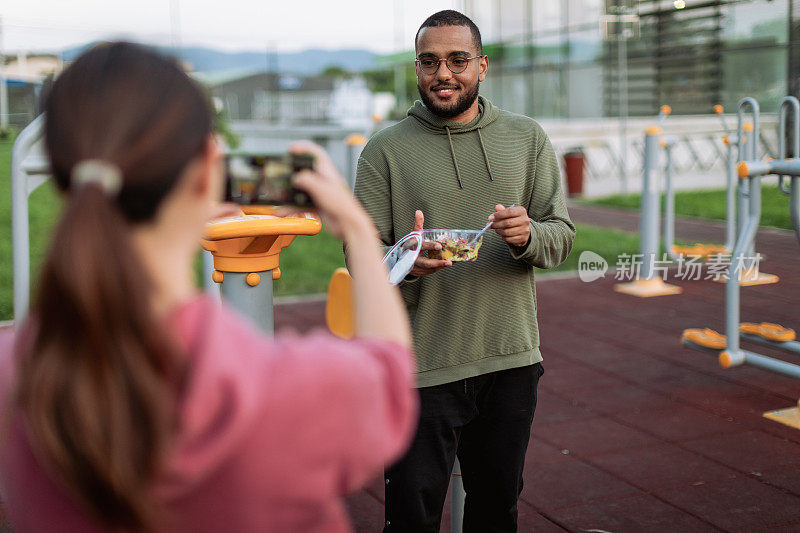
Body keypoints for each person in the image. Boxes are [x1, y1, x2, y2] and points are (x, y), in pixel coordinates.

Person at [0, 42, 417, 532]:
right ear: (207, 169)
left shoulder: (14, 375)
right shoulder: (288, 390)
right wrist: (358, 229)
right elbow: (389, 371)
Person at [352, 10, 576, 532]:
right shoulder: (385, 149)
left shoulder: (527, 138)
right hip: (419, 369)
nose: (443, 74)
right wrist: (406, 261)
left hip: (510, 360)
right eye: (429, 62)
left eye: (457, 60)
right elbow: (360, 257)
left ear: (483, 65)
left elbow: (560, 238)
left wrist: (528, 236)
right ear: (416, 69)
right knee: (410, 517)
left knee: (496, 514)